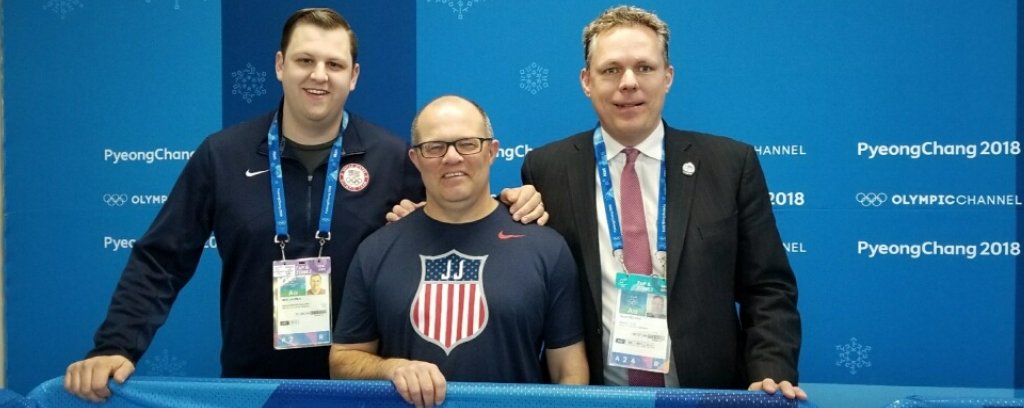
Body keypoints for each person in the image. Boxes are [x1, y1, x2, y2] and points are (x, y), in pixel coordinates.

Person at [64, 8, 545, 403]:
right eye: (304, 60)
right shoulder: (222, 155)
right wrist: (116, 346)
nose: (319, 75)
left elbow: (460, 209)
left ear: (353, 77)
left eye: (335, 65)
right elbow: (161, 259)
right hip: (253, 387)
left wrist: (512, 199)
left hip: (368, 386)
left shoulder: (390, 156)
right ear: (279, 65)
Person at [520, 5, 805, 400]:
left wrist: (770, 370)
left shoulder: (729, 164)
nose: (629, 83)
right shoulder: (546, 169)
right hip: (596, 397)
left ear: (668, 77)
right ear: (586, 81)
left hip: (710, 395)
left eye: (645, 68)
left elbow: (768, 286)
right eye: (611, 70)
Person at [330, 95, 589, 407]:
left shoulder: (546, 248)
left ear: (492, 151)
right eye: (435, 147)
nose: (451, 157)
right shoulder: (376, 250)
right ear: (415, 159)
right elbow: (342, 361)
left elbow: (569, 373)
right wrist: (390, 368)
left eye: (467, 143)